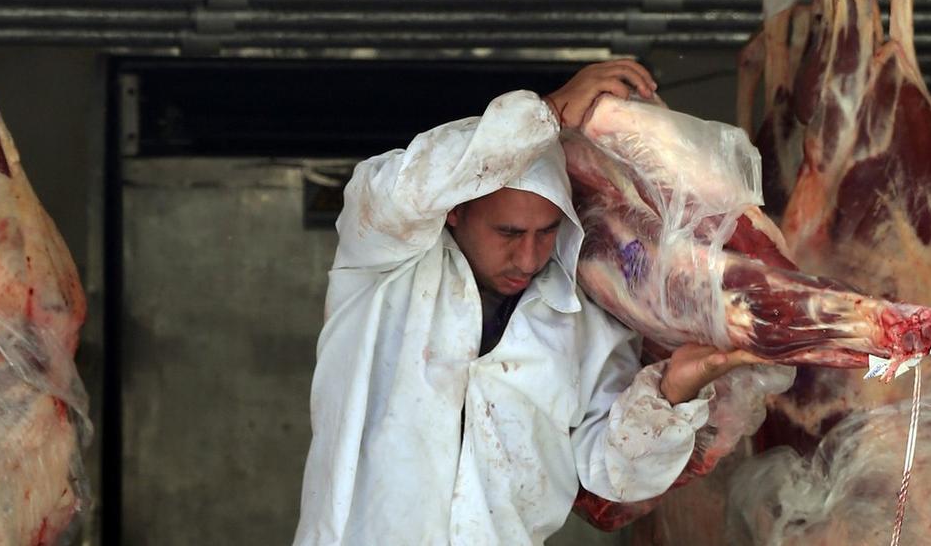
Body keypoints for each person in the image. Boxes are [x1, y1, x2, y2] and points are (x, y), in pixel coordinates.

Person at [294, 60, 762, 545]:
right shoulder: (383, 263)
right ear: (456, 210)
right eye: (508, 232)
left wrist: (671, 396)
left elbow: (613, 474)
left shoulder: (583, 326)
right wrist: (547, 114)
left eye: (547, 231)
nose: (528, 255)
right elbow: (407, 188)